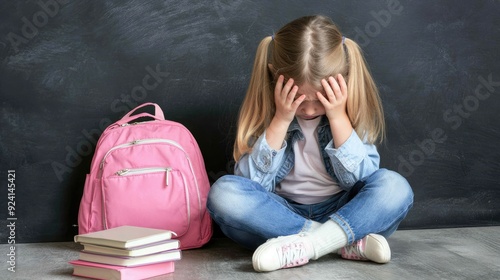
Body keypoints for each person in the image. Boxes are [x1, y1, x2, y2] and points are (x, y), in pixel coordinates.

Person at [207, 15, 414, 272]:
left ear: (343, 80)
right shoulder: (266, 113)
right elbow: (252, 185)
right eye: (300, 100)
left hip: (346, 210)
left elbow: (362, 180)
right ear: (275, 77)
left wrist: (338, 117)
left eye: (319, 100)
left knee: (395, 187)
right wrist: (281, 120)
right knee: (224, 193)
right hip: (278, 216)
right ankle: (340, 242)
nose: (309, 109)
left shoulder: (350, 113)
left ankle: (307, 245)